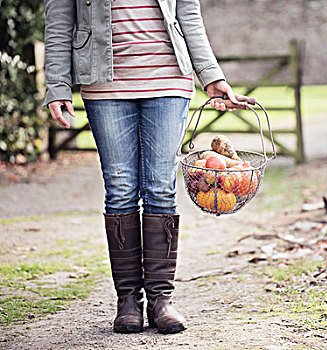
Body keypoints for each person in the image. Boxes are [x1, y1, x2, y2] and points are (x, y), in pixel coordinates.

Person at [43, 0, 242, 334]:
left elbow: (187, 13)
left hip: (168, 78)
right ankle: (128, 301)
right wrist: (57, 84)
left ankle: (161, 299)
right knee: (119, 189)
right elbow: (60, 18)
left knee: (160, 188)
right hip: (105, 82)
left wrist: (211, 75)